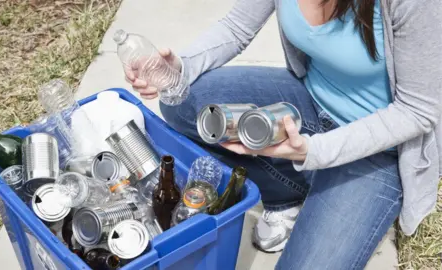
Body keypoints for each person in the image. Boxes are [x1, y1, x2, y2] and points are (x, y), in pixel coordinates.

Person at [122, 0, 441, 269]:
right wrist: (181, 67)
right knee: (184, 102)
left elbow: (418, 110)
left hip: (375, 151)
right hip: (307, 103)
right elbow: (236, 27)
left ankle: (324, 183)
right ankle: (285, 193)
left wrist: (313, 151)